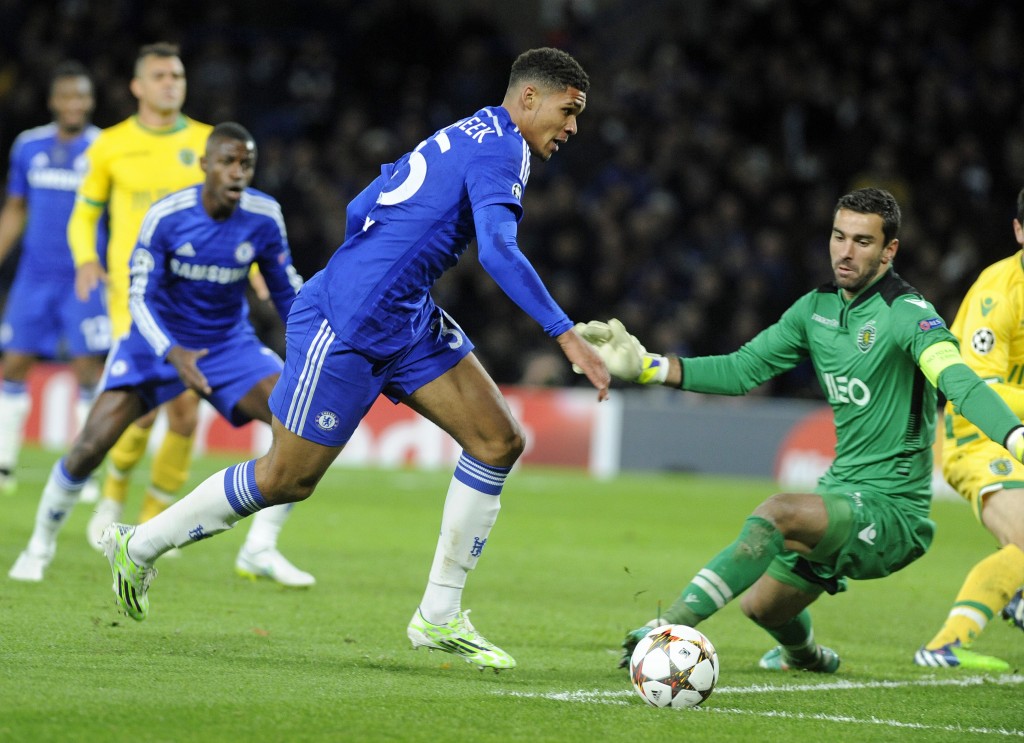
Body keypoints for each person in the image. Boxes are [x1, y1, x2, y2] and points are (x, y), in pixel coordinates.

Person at [100, 47, 610, 672]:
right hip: (347, 323)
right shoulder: (504, 149)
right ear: (530, 97)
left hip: (405, 316)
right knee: (287, 479)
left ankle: (439, 615)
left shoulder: (471, 129)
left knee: (498, 441)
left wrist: (385, 271)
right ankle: (141, 544)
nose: (574, 127)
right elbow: (498, 253)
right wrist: (566, 334)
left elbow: (361, 207)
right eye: (569, 110)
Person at [576, 188, 1024, 673]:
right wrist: (647, 366)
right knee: (764, 607)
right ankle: (806, 655)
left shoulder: (907, 314)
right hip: (840, 492)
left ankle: (667, 629)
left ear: (889, 250)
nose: (846, 252)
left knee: (779, 512)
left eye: (862, 241)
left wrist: (1015, 436)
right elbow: (741, 369)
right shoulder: (815, 311)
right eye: (838, 237)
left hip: (893, 512)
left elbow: (960, 381)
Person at [10, 123, 312, 589]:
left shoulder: (264, 216)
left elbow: (286, 291)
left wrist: (313, 346)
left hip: (226, 345)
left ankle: (260, 548)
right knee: (90, 445)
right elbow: (139, 299)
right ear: (205, 165)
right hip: (156, 343)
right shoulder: (167, 216)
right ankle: (39, 545)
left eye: (245, 164)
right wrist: (172, 353)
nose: (237, 172)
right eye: (228, 162)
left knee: (301, 422)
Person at [913, 188, 1024, 670]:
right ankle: (945, 644)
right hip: (979, 436)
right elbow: (980, 386)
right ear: (1019, 231)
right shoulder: (997, 291)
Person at [0, 61, 109, 501]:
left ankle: (81, 471)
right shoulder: (28, 146)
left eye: (81, 96)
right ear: (53, 102)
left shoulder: (104, 148)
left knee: (87, 368)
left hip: (83, 276)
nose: (73, 104)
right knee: (15, 363)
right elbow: (15, 208)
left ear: (90, 101)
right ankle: (4, 464)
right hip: (34, 276)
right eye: (66, 96)